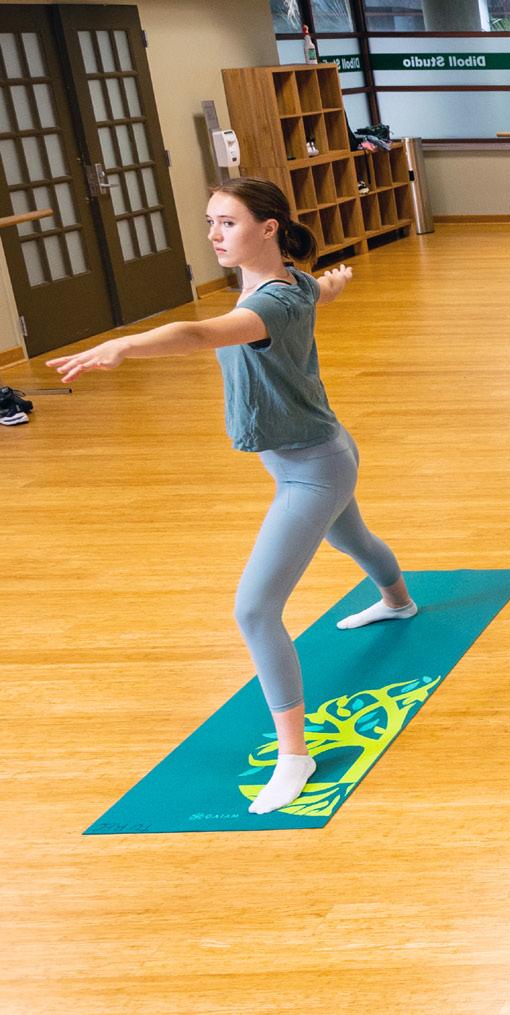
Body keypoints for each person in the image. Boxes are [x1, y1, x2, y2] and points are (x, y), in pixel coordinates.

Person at [47, 178, 418, 815]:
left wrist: (126, 344)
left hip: (313, 469)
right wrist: (335, 281)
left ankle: (295, 756)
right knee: (352, 537)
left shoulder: (269, 302)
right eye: (211, 222)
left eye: (228, 223)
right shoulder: (291, 284)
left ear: (268, 228)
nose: (215, 235)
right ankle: (399, 602)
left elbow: (199, 335)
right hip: (321, 449)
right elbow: (319, 290)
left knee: (254, 610)